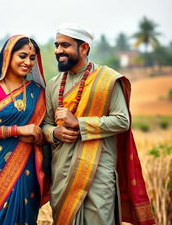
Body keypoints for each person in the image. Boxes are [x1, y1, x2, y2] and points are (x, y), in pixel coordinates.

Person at [42, 23, 155, 225]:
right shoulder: (53, 84)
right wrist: (55, 133)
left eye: (65, 45)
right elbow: (46, 125)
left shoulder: (108, 80)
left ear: (84, 48)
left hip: (97, 173)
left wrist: (79, 123)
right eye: (57, 45)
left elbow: (122, 121)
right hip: (62, 176)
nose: (59, 51)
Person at [0, 35, 49, 225]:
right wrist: (18, 130)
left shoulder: (37, 92)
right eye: (22, 56)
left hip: (25, 167)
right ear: (8, 55)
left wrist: (38, 136)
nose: (28, 62)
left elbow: (42, 130)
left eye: (32, 58)